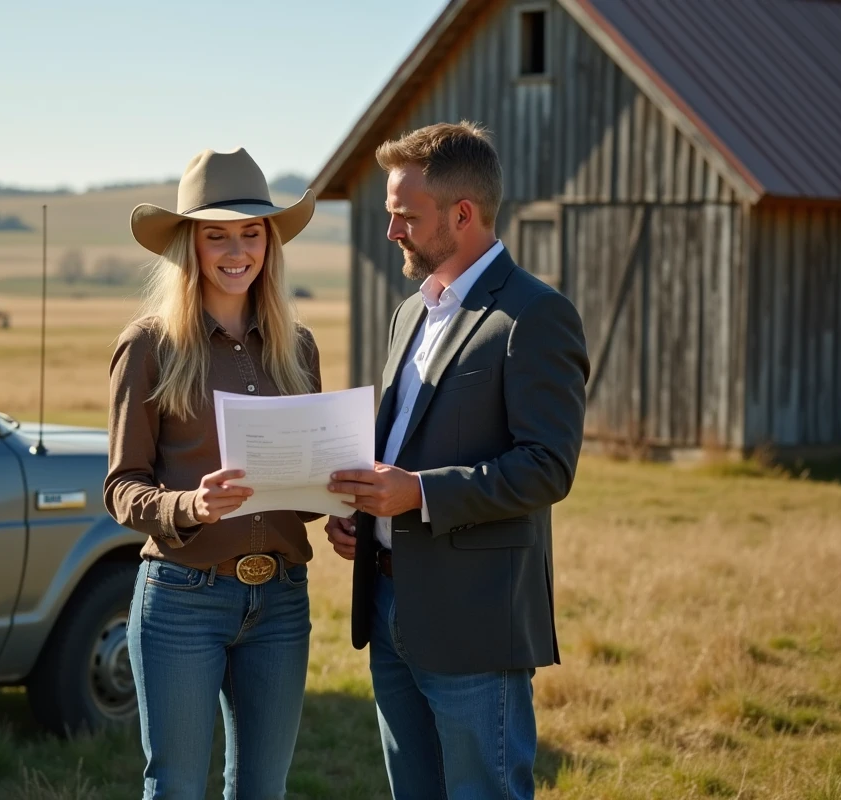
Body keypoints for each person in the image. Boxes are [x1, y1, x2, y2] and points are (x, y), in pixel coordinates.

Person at [324, 121, 590, 800]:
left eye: (405, 217)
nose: (392, 233)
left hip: (474, 622)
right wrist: (366, 515)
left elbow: (546, 467)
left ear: (463, 214)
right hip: (387, 605)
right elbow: (403, 447)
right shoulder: (408, 313)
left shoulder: (535, 315)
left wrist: (414, 493)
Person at [105, 146, 323, 800]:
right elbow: (121, 487)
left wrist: (344, 497)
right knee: (175, 788)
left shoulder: (298, 347)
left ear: (269, 243)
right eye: (217, 234)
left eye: (251, 232)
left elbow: (302, 491)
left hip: (282, 599)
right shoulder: (149, 345)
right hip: (181, 599)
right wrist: (190, 507)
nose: (237, 250)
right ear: (188, 246)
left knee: (264, 790)